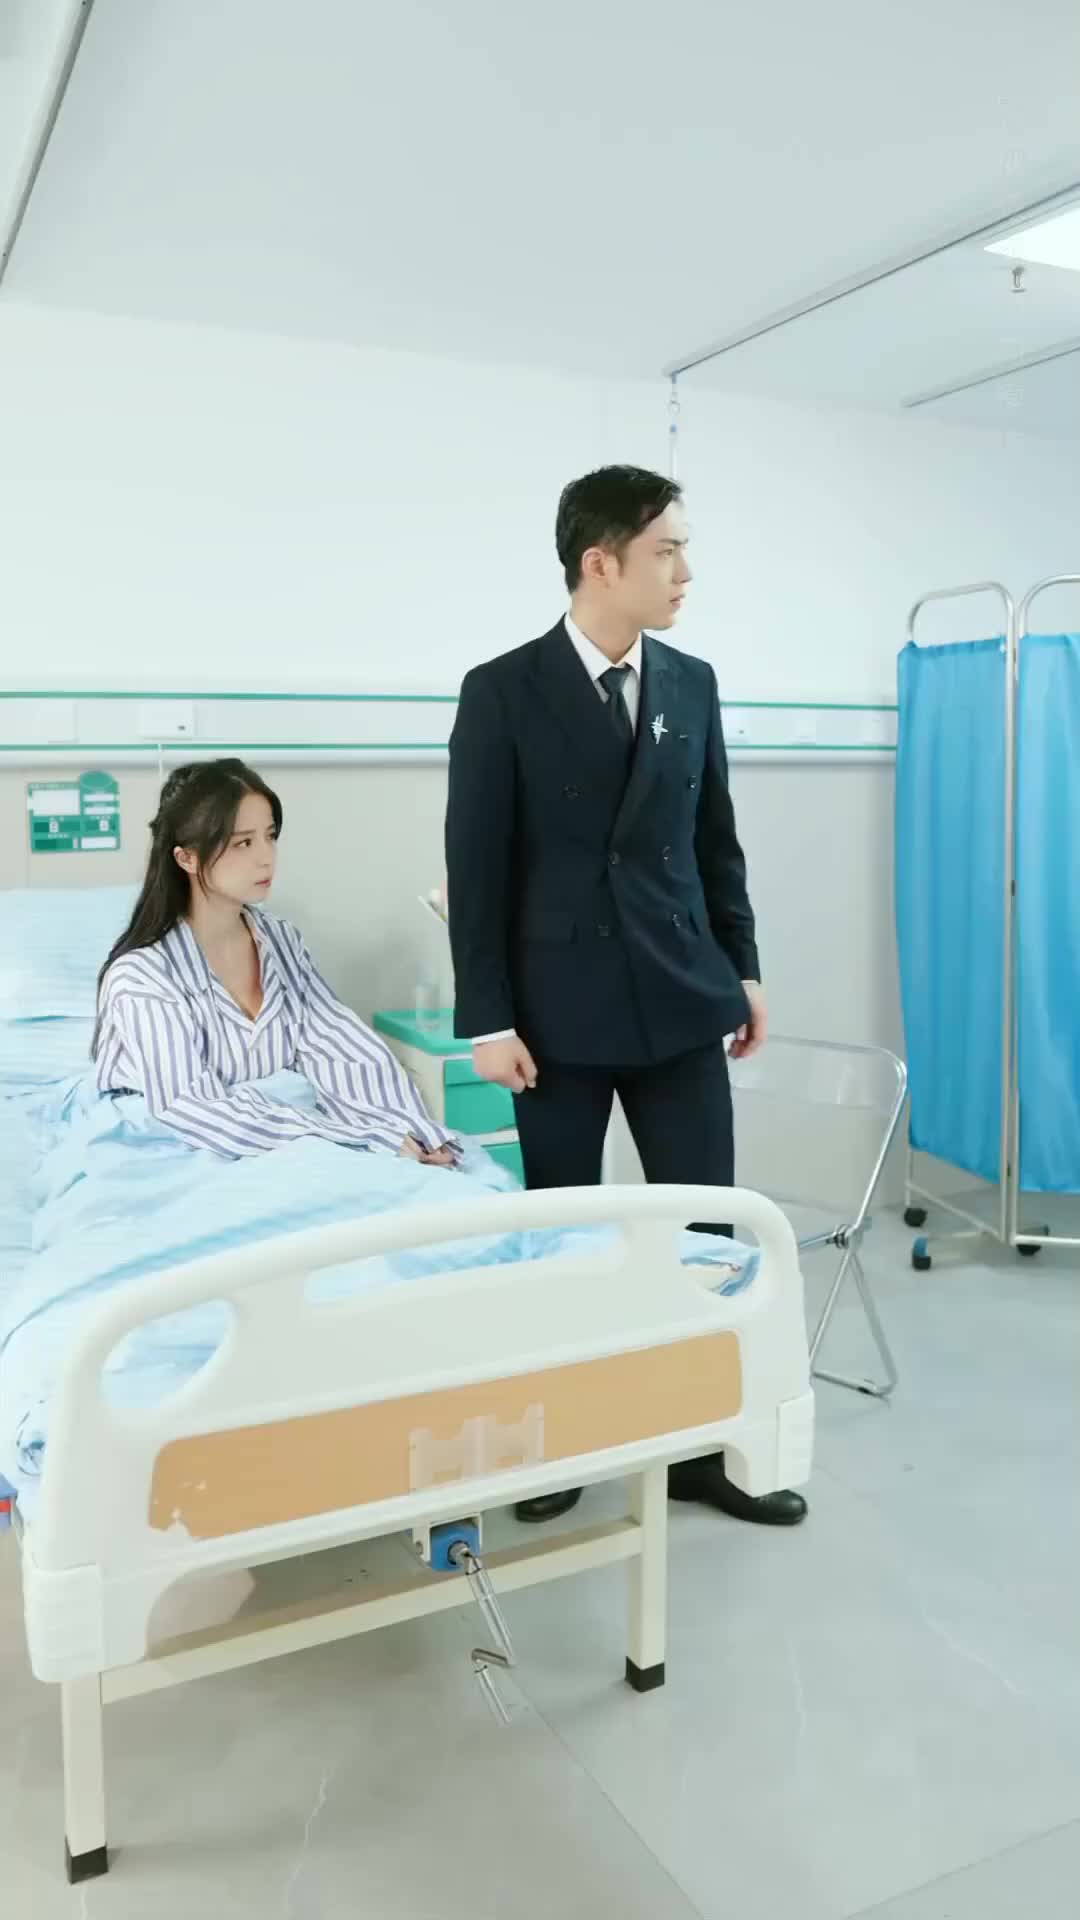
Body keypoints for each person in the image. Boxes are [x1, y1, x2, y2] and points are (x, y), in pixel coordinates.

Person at [445, 465, 807, 1527]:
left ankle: (699, 1450)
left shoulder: (691, 682)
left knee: (706, 1235)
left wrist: (743, 968)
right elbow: (477, 867)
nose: (685, 570)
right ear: (600, 563)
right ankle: (559, 1446)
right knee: (563, 1238)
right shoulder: (502, 690)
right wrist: (488, 1019)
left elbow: (714, 842)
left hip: (682, 996)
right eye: (667, 550)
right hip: (554, 1016)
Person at [94, 758, 457, 1165]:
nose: (266, 858)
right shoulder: (142, 977)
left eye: (269, 836)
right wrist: (360, 1137)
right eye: (243, 843)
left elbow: (340, 1046)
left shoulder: (280, 942)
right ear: (187, 859)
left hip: (283, 1137)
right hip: (170, 1148)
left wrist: (408, 1128)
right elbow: (190, 1106)